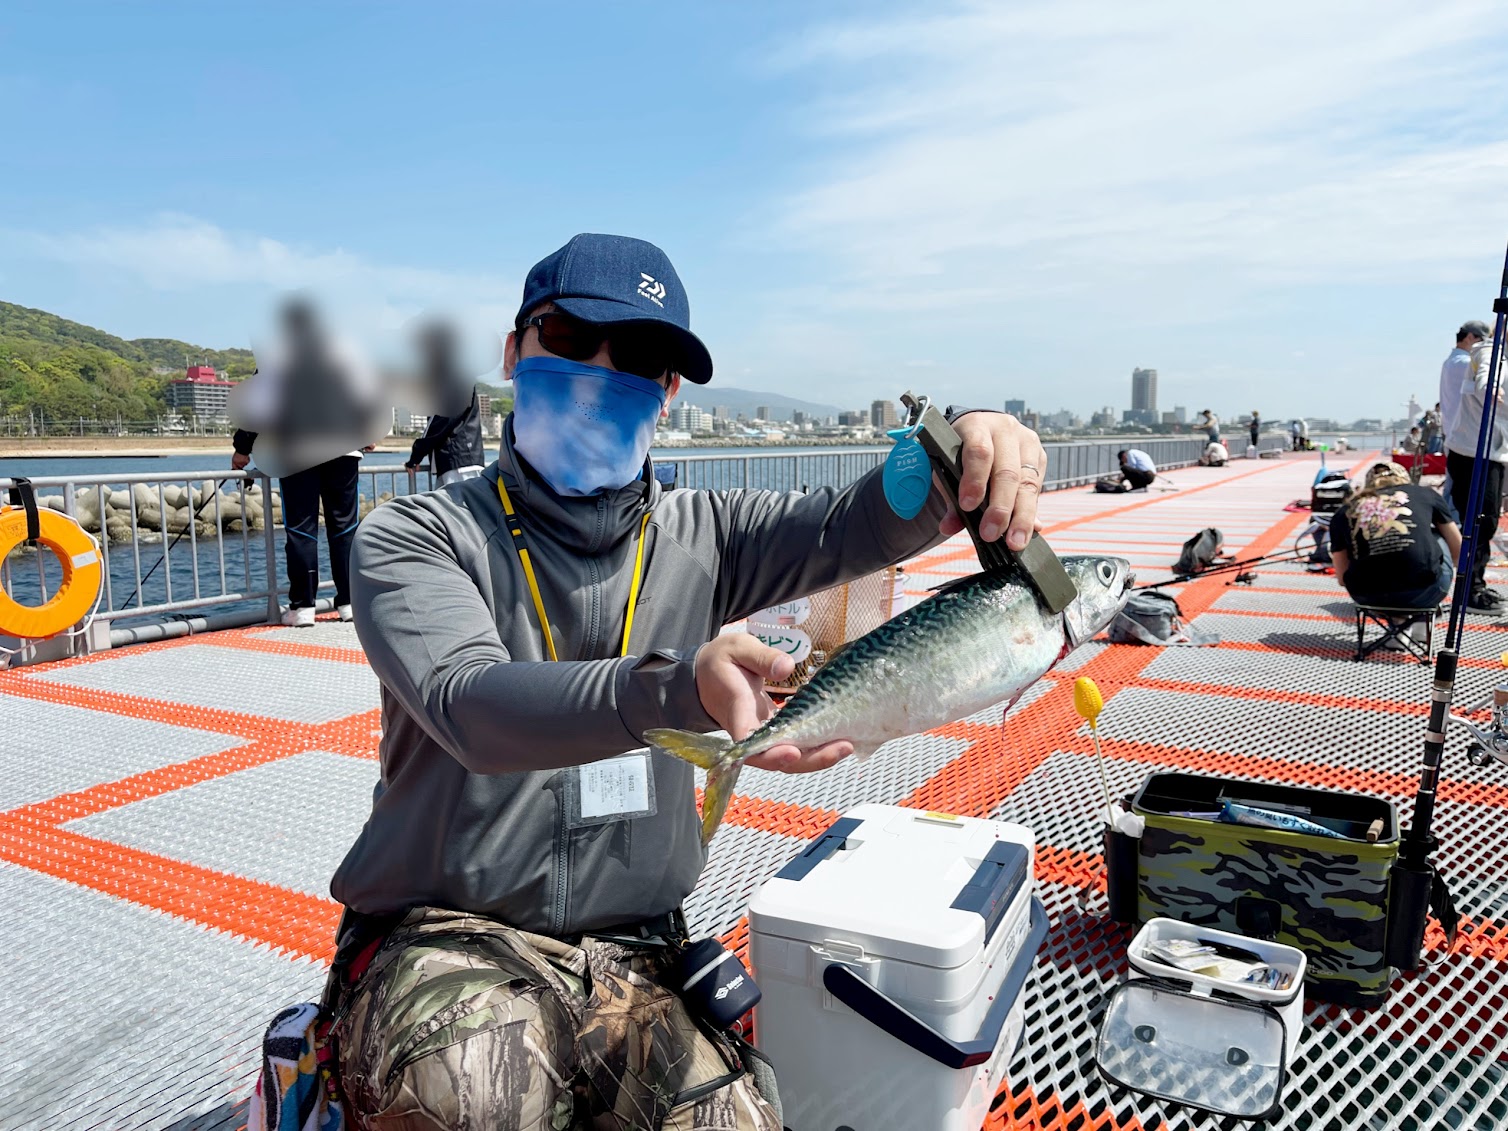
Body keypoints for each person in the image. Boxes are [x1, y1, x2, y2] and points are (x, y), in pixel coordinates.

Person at [324, 233, 1049, 1130]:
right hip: (446, 934)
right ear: (513, 352)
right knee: (469, 1092)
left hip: (637, 951)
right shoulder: (417, 535)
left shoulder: (711, 530)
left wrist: (962, 451)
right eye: (570, 337)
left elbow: (856, 525)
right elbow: (466, 703)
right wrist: (675, 693)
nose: (601, 370)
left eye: (639, 356)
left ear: (668, 390)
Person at [230, 301, 378, 627]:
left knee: (301, 529)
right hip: (343, 451)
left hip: (297, 451)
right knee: (345, 529)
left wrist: (242, 450)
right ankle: (349, 603)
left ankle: (303, 607)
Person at [1330, 461, 1460, 613]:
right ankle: (1418, 616)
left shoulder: (1345, 510)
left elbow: (1341, 578)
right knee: (1433, 534)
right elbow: (1459, 550)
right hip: (1424, 592)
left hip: (1366, 596)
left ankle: (1396, 616)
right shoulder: (1425, 494)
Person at [1440, 319, 1504, 612]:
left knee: (1479, 521)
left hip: (1481, 449)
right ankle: (1470, 590)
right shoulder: (1482, 353)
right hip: (1473, 450)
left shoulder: (1466, 358)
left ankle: (1471, 584)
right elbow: (1485, 374)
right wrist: (1490, 387)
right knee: (1478, 521)